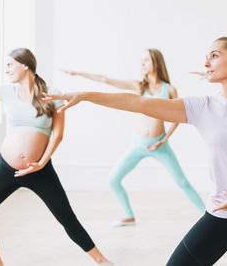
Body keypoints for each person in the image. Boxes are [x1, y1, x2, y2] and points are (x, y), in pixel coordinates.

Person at [45, 37, 227, 266]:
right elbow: (138, 103)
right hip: (222, 213)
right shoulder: (202, 107)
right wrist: (87, 95)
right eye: (205, 57)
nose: (206, 63)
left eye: (214, 56)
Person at [0, 48, 113, 266]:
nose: (6, 70)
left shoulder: (52, 94)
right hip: (6, 169)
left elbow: (58, 134)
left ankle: (101, 260)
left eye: (9, 65)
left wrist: (41, 163)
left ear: (25, 65)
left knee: (67, 218)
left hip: (39, 170)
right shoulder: (6, 91)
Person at [62, 49, 205, 227]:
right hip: (138, 144)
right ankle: (129, 216)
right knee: (113, 179)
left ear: (156, 63)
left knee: (182, 182)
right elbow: (106, 79)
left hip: (159, 145)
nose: (142, 64)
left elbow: (178, 117)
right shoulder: (139, 86)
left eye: (145, 60)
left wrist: (163, 140)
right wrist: (78, 73)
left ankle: (206, 215)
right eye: (141, 61)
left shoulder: (170, 89)